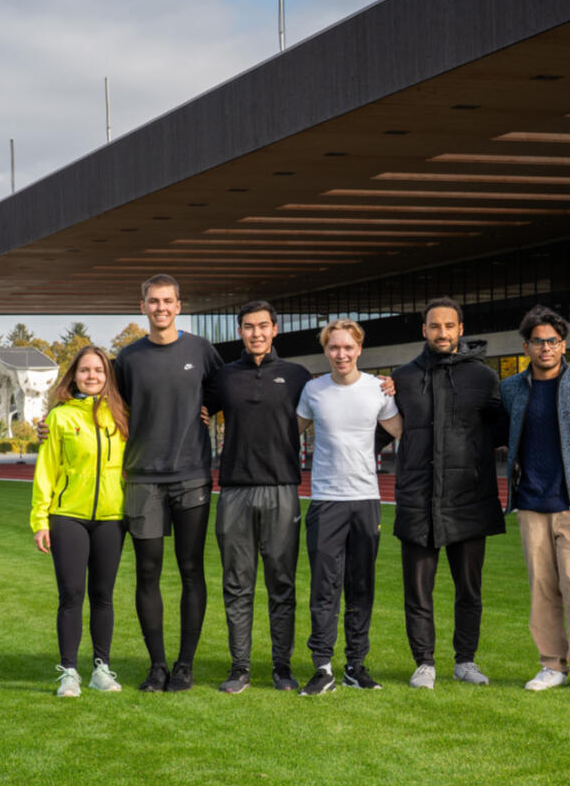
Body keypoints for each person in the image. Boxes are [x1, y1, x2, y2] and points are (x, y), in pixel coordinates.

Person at [388, 297, 506, 689]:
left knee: (469, 590)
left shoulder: (484, 378)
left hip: (468, 499)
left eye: (449, 326)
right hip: (418, 500)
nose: (442, 332)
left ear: (460, 330)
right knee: (417, 591)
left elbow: (505, 430)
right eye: (435, 326)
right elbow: (374, 429)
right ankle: (424, 662)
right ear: (424, 330)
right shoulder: (402, 378)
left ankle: (465, 661)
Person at [114, 274, 224, 692]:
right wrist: (48, 424)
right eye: (153, 301)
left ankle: (184, 665)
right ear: (142, 306)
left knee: (191, 569)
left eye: (168, 301)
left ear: (179, 305)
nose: (161, 307)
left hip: (192, 476)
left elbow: (227, 388)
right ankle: (157, 665)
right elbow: (104, 404)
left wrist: (210, 407)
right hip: (143, 479)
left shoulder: (201, 350)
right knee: (147, 572)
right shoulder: (128, 359)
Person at [500, 306, 570, 693]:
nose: (545, 347)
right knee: (542, 587)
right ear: (526, 347)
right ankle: (551, 665)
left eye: (552, 341)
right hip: (531, 502)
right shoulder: (511, 388)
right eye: (537, 341)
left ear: (563, 345)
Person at [203, 301, 313, 693]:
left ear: (275, 329)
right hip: (234, 490)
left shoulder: (297, 376)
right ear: (240, 332)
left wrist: (387, 386)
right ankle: (240, 669)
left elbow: (336, 395)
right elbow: (191, 406)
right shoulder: (224, 377)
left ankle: (282, 668)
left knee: (282, 584)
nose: (256, 333)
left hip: (282, 489)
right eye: (249, 327)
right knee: (237, 584)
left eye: (263, 326)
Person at [294, 319, 402, 695]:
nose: (341, 354)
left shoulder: (378, 389)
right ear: (326, 351)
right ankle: (322, 667)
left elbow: (403, 430)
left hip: (366, 501)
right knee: (325, 588)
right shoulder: (313, 390)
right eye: (334, 347)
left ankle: (356, 666)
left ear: (359, 349)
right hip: (326, 502)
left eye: (347, 347)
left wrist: (401, 388)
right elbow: (288, 431)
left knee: (361, 587)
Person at [30, 345, 130, 698]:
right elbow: (46, 470)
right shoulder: (58, 418)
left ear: (107, 376)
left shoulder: (122, 415)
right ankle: (69, 672)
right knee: (71, 594)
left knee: (103, 596)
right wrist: (40, 519)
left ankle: (101, 670)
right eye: (85, 370)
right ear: (74, 376)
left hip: (111, 518)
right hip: (68, 516)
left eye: (99, 370)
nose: (92, 376)